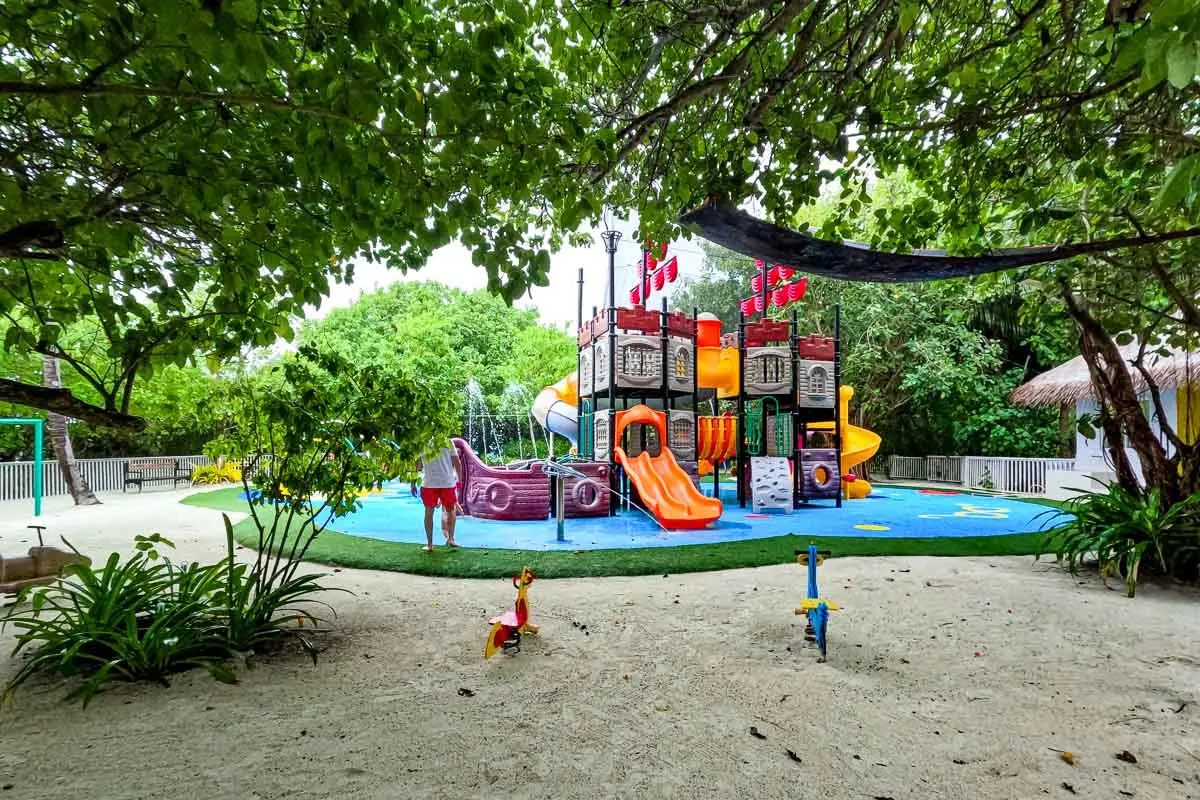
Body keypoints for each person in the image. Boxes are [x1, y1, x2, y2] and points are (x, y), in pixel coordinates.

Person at [416, 440, 462, 551]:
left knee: (429, 512)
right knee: (451, 510)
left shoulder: (422, 441)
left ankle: (430, 544)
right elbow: (457, 463)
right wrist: (459, 482)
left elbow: (417, 465)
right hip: (446, 482)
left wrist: (413, 483)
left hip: (429, 483)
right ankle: (451, 539)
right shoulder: (447, 441)